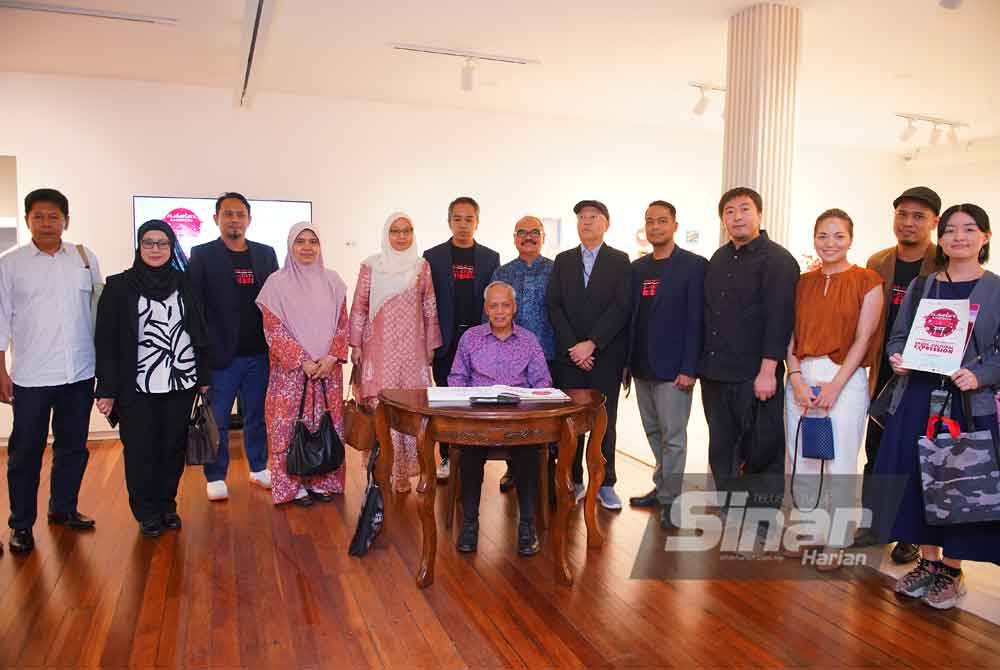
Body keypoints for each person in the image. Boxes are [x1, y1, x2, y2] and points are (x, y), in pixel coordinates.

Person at [873, 203, 999, 610]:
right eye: (950, 230)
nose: (958, 237)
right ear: (940, 239)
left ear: (986, 237)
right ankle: (927, 563)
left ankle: (951, 569)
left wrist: (982, 375)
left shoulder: (996, 290)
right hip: (918, 398)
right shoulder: (923, 286)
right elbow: (898, 338)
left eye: (969, 229)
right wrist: (898, 359)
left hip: (967, 402)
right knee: (917, 480)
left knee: (959, 484)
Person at [94, 220, 212, 536]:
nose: (156, 249)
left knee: (172, 448)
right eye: (149, 242)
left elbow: (199, 332)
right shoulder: (118, 286)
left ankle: (167, 505)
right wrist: (105, 390)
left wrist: (203, 375)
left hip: (180, 382)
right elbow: (105, 341)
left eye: (162, 243)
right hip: (136, 386)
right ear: (139, 246)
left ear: (171, 247)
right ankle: (146, 511)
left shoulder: (185, 283)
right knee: (139, 450)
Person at [0, 188, 101, 554]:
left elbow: (96, 313)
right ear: (27, 219)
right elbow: (0, 321)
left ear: (66, 221)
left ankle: (63, 508)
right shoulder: (9, 263)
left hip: (79, 371)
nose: (47, 223)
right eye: (39, 216)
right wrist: (1, 371)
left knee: (73, 447)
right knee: (25, 452)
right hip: (32, 376)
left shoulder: (84, 257)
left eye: (54, 216)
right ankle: (21, 524)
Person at [784, 209, 883, 567]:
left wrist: (835, 387)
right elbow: (790, 335)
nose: (830, 243)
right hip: (800, 374)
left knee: (838, 459)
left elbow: (863, 338)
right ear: (814, 238)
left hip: (845, 377)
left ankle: (837, 539)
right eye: (823, 235)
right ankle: (807, 529)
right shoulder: (803, 282)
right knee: (801, 457)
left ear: (850, 239)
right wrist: (794, 377)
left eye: (838, 236)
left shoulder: (867, 280)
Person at [854, 186, 941, 563]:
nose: (908, 223)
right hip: (882, 375)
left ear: (934, 222)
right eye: (902, 214)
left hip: (923, 378)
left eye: (918, 216)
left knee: (917, 456)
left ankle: (909, 534)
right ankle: (875, 524)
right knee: (877, 454)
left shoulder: (942, 263)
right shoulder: (878, 262)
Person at [700, 187, 799, 510]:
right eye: (729, 211)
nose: (737, 216)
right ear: (723, 220)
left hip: (756, 375)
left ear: (759, 214)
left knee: (763, 447)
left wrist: (768, 371)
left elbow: (779, 320)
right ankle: (729, 507)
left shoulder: (779, 260)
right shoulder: (719, 257)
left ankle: (762, 516)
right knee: (722, 446)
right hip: (715, 374)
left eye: (744, 209)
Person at [449, 281, 551, 556]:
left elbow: (542, 381)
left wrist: (527, 403)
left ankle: (527, 526)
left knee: (529, 454)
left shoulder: (529, 340)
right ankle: (469, 524)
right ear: (486, 308)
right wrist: (467, 401)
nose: (500, 311)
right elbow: (457, 377)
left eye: (505, 305)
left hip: (519, 421)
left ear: (514, 307)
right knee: (469, 456)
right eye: (493, 305)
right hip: (478, 420)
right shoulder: (470, 338)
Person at [188, 192, 279, 501]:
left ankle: (258, 467)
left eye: (240, 214)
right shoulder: (201, 255)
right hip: (221, 356)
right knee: (219, 419)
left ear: (249, 219)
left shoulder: (266, 255)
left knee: (258, 415)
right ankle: (215, 475)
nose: (234, 219)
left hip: (260, 354)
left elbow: (277, 302)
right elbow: (195, 307)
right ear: (216, 219)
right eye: (228, 214)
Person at [625, 201, 706, 529]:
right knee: (654, 431)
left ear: (674, 225)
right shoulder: (637, 269)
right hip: (641, 367)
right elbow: (632, 318)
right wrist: (627, 363)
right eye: (650, 221)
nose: (655, 226)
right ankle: (662, 487)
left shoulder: (693, 266)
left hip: (675, 370)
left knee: (674, 437)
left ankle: (672, 499)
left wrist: (690, 367)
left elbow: (696, 321)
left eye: (662, 221)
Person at [547, 200, 631, 510]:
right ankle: (575, 479)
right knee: (571, 422)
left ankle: (606, 482)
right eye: (582, 218)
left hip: (605, 355)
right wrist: (575, 346)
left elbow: (621, 308)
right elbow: (554, 305)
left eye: (593, 217)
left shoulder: (620, 261)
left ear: (606, 224)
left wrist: (592, 343)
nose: (586, 222)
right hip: (570, 357)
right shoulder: (564, 260)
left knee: (603, 422)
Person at [349, 213, 441, 493]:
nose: (401, 236)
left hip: (412, 350)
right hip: (379, 348)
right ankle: (382, 469)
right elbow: (360, 307)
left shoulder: (421, 266)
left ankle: (404, 474)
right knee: (381, 407)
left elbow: (429, 307)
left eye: (407, 230)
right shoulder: (371, 266)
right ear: (386, 234)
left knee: (411, 409)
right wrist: (355, 344)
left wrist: (430, 347)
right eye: (395, 231)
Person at [257, 223, 348, 505]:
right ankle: (291, 486)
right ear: (290, 246)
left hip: (327, 372)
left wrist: (332, 357)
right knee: (288, 427)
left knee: (326, 425)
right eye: (300, 241)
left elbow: (343, 324)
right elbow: (273, 328)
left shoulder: (333, 281)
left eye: (313, 241)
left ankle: (321, 479)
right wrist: (302, 361)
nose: (307, 247)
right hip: (291, 372)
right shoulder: (276, 283)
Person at [423, 197, 500, 480]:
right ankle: (445, 456)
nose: (463, 225)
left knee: (475, 398)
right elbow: (427, 302)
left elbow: (493, 301)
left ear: (477, 222)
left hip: (478, 338)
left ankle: (471, 457)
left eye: (469, 219)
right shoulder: (432, 257)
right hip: (445, 339)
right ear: (449, 222)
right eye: (458, 219)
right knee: (446, 398)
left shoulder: (491, 258)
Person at [489, 215, 555, 493]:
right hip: (509, 360)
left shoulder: (556, 270)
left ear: (543, 236)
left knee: (545, 417)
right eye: (522, 232)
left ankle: (547, 475)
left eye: (534, 232)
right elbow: (490, 316)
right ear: (514, 238)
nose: (528, 237)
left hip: (548, 352)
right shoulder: (502, 272)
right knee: (512, 415)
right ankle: (513, 470)